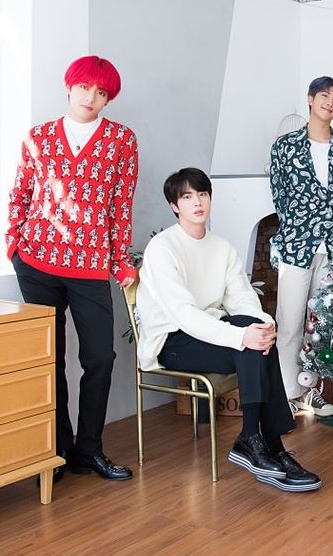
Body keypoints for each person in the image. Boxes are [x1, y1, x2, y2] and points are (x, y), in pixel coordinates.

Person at [136, 168, 320, 492]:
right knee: (246, 340)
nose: (197, 202)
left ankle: (264, 446)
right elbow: (183, 313)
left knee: (258, 335)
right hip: (172, 341)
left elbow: (243, 298)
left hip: (210, 332)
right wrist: (240, 336)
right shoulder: (162, 248)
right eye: (187, 196)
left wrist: (262, 327)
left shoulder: (221, 247)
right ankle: (262, 442)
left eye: (203, 194)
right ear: (174, 205)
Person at [6, 55, 138, 481]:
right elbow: (19, 194)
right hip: (37, 261)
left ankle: (89, 450)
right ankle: (57, 450)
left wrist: (120, 262)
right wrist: (14, 244)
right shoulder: (39, 137)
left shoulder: (122, 140)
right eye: (85, 88)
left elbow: (121, 207)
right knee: (51, 359)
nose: (91, 98)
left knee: (99, 357)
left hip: (90, 265)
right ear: (69, 87)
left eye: (102, 93)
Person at [269, 76, 333, 419]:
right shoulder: (285, 146)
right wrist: (298, 227)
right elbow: (280, 196)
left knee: (322, 324)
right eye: (324, 95)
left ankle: (311, 390)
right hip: (296, 244)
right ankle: (287, 393)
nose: (330, 102)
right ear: (310, 99)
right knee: (289, 321)